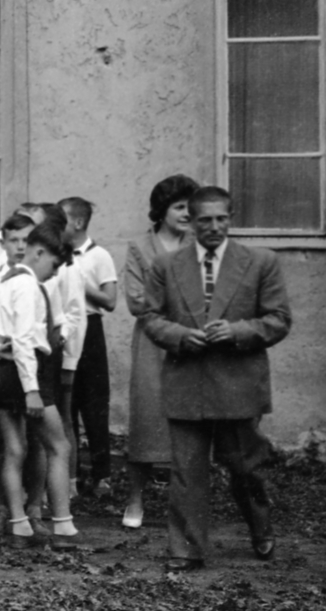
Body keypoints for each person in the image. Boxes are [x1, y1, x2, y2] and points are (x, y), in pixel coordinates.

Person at [143, 186, 290, 571]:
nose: (213, 227)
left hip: (238, 382)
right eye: (204, 219)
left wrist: (239, 332)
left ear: (232, 217)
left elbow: (279, 319)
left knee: (244, 467)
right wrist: (178, 336)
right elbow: (151, 317)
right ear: (190, 221)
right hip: (186, 381)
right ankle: (186, 549)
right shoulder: (167, 265)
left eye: (221, 218)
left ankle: (260, 527)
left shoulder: (260, 262)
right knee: (187, 470)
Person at [0, 217, 77, 546]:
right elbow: (25, 339)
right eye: (54, 264)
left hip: (5, 369)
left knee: (14, 450)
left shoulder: (4, 281)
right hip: (29, 374)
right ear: (38, 252)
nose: (54, 272)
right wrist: (33, 390)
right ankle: (64, 525)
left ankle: (19, 525)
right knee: (59, 446)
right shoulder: (27, 285)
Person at [118, 174, 200, 528]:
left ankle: (184, 505)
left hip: (191, 342)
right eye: (179, 206)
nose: (186, 213)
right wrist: (179, 302)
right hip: (153, 342)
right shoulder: (140, 248)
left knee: (190, 421)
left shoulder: (198, 245)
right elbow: (137, 302)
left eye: (190, 207)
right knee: (147, 417)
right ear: (161, 210)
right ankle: (135, 500)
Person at [59, 196, 119, 495]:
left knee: (94, 404)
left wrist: (80, 282)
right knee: (65, 405)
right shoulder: (56, 254)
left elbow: (110, 301)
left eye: (63, 219)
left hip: (91, 329)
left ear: (79, 222)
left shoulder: (99, 256)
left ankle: (102, 476)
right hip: (65, 329)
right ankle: (69, 476)